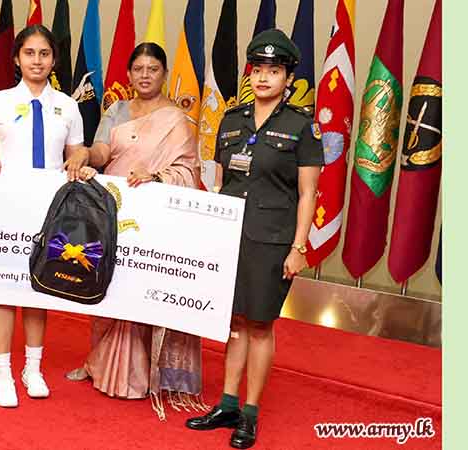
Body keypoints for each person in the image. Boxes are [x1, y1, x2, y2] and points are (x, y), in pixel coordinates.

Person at [185, 29, 324, 448]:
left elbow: (308, 194)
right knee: (234, 323)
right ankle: (227, 404)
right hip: (231, 237)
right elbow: (222, 183)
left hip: (272, 241)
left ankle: (249, 413)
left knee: (260, 325)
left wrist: (298, 247)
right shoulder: (232, 120)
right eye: (258, 69)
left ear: (288, 77)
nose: (264, 77)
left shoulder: (302, 126)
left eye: (274, 70)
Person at [63, 42, 204, 419]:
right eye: (138, 69)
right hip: (114, 209)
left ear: (164, 74)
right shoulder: (116, 110)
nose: (144, 75)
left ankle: (147, 374)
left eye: (152, 69)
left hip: (155, 216)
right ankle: (98, 362)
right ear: (128, 74)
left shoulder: (176, 119)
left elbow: (189, 172)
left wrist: (156, 176)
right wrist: (83, 154)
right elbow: (102, 152)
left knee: (143, 290)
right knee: (106, 284)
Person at [0, 24, 85, 408]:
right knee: (4, 288)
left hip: (49, 210)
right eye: (30, 53)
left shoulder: (67, 105)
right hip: (6, 207)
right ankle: (3, 370)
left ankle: (32, 368)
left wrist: (79, 159)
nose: (37, 61)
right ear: (17, 59)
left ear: (54, 59)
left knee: (39, 286)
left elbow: (77, 150)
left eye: (44, 54)